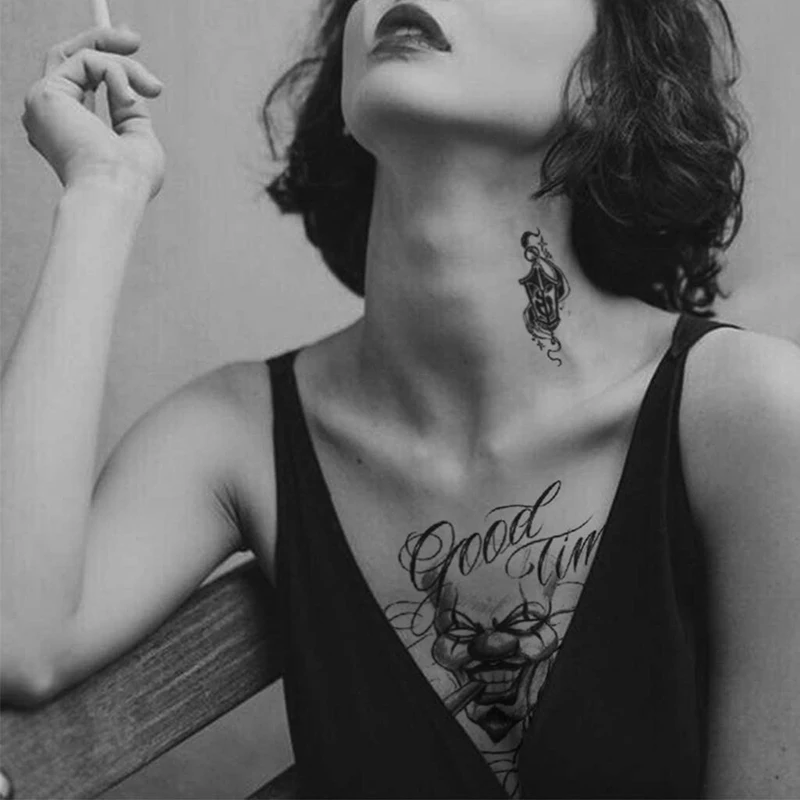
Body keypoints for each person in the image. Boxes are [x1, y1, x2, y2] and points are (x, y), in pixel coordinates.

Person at [2, 0, 799, 797]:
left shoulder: (751, 415)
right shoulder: (236, 433)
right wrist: (101, 191)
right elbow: (16, 637)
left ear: (608, 78)